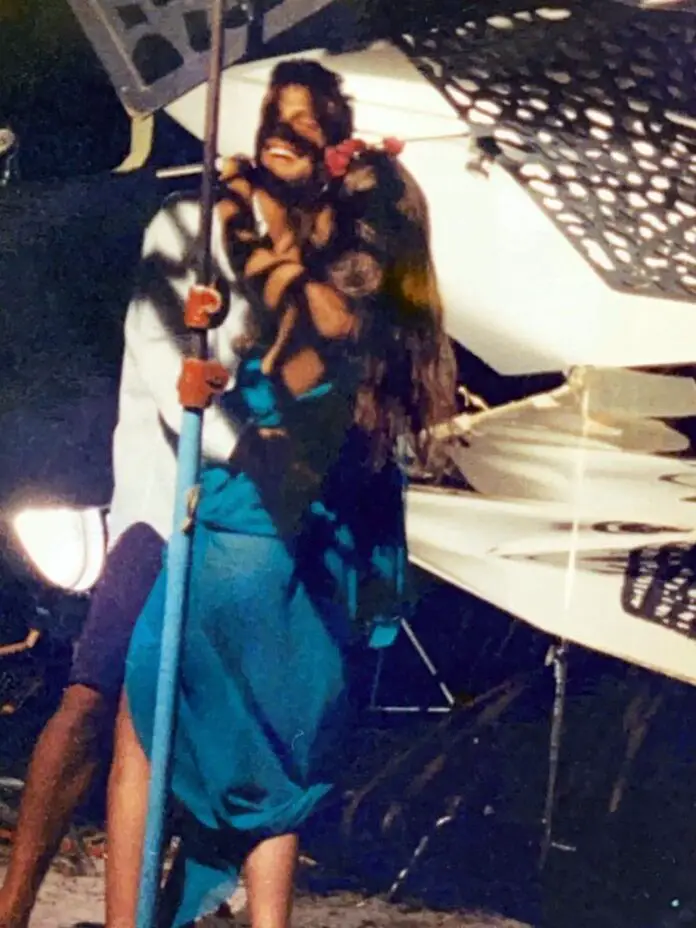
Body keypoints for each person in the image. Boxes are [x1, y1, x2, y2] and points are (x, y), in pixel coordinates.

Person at [104, 60, 457, 928]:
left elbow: (261, 292)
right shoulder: (388, 324)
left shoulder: (315, 304)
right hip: (302, 569)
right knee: (275, 775)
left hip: (235, 544)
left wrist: (231, 202)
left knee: (147, 739)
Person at [0, 179, 252, 928]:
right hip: (157, 511)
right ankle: (12, 907)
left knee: (217, 722)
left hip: (243, 523)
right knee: (94, 697)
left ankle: (166, 907)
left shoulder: (304, 246)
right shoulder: (185, 228)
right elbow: (171, 379)